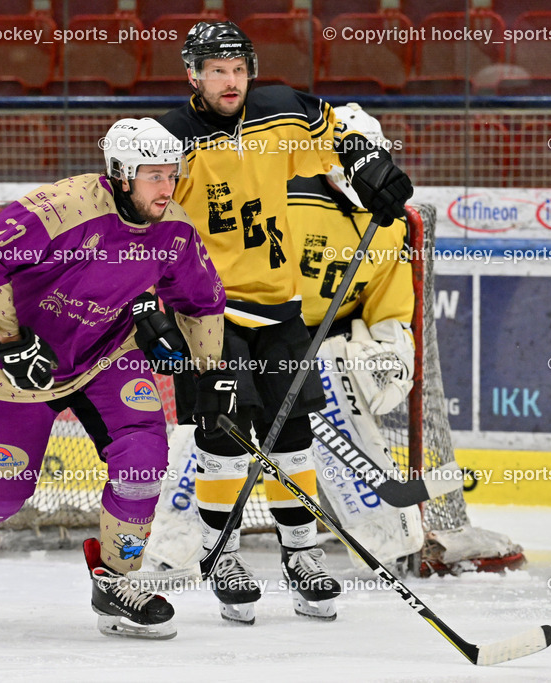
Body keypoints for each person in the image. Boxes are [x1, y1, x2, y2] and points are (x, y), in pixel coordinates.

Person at [156, 21, 413, 623]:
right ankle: (221, 556)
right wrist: (150, 305)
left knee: (291, 436)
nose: (230, 81)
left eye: (239, 69)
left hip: (281, 308)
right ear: (192, 74)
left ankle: (300, 557)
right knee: (223, 439)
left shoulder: (280, 111)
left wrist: (369, 164)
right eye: (216, 70)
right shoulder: (169, 138)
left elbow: (340, 131)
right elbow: (143, 221)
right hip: (208, 313)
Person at [0, 117, 231, 640]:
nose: (167, 188)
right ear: (120, 175)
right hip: (15, 365)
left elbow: (203, 300)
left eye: (173, 174)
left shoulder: (175, 230)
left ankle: (117, 582)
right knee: (4, 494)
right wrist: (11, 339)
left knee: (143, 457)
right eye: (153, 176)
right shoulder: (60, 210)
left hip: (105, 354)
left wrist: (209, 375)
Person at [288, 103, 424, 569]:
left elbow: (388, 304)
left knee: (341, 395)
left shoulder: (391, 224)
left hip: (327, 348)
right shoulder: (284, 200)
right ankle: (177, 547)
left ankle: (382, 542)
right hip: (257, 335)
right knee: (213, 441)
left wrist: (389, 353)